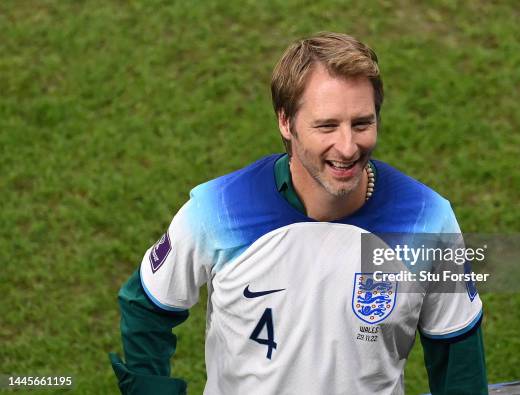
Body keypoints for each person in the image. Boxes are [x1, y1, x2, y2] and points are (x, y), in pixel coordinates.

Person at [109, 32, 487, 395]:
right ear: (285, 123)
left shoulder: (428, 219)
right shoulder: (219, 209)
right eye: (326, 125)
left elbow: (457, 353)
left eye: (362, 123)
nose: (347, 146)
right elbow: (147, 305)